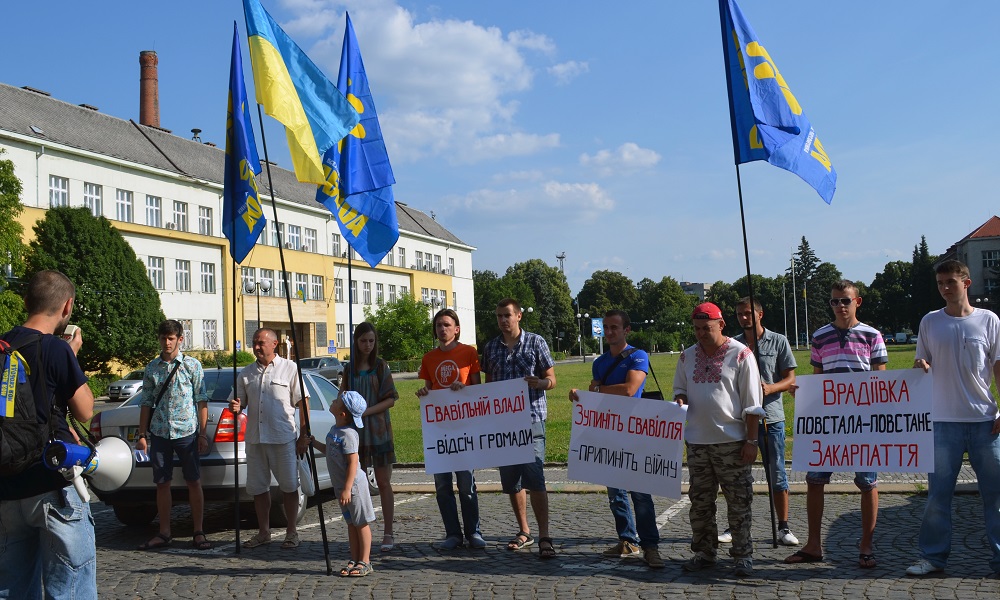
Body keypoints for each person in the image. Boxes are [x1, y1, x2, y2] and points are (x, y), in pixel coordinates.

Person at [0, 270, 96, 599]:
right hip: (53, 481)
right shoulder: (55, 349)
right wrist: (70, 355)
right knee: (69, 590)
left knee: (12, 589)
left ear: (27, 301)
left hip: (7, 486)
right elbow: (85, 410)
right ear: (67, 306)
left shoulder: (3, 345)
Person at [906, 260, 1000, 577]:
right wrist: (921, 364)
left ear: (966, 283)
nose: (945, 288)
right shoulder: (930, 322)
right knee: (937, 497)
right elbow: (922, 359)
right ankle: (933, 558)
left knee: (996, 495)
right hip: (942, 422)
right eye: (940, 283)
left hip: (985, 421)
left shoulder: (988, 321)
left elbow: (998, 369)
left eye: (951, 282)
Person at [785, 279, 886, 568]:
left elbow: (881, 380)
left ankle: (866, 544)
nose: (840, 306)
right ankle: (814, 544)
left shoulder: (872, 335)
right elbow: (817, 379)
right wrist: (802, 391)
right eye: (834, 301)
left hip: (864, 422)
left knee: (867, 482)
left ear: (857, 302)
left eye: (845, 300)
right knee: (814, 480)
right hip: (828, 423)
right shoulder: (820, 336)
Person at [673, 302, 763, 577]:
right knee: (700, 502)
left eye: (707, 328)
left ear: (721, 324)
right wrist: (679, 400)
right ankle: (704, 551)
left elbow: (752, 404)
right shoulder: (686, 357)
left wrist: (751, 442)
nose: (701, 333)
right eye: (697, 329)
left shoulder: (741, 355)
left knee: (738, 502)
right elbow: (680, 389)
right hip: (698, 443)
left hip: (732, 443)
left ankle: (742, 555)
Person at [569, 310, 663, 569]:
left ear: (626, 330)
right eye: (606, 327)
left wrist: (597, 390)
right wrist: (581, 396)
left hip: (636, 432)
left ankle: (651, 546)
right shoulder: (599, 362)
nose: (609, 332)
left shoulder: (638, 355)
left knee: (641, 494)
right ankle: (626, 539)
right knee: (616, 493)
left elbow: (630, 390)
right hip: (610, 432)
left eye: (614, 327)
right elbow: (595, 396)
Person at [482, 298, 558, 559]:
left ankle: (545, 535)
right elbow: (489, 385)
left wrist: (540, 383)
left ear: (519, 316)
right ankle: (524, 531)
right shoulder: (491, 347)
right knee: (512, 481)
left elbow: (552, 380)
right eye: (499, 316)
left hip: (532, 418)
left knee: (535, 478)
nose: (503, 320)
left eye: (508, 315)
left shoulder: (536, 342)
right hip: (504, 424)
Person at [228, 328, 310, 549]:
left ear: (274, 344)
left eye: (261, 342)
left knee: (290, 486)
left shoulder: (290, 368)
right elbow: (238, 404)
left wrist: (304, 434)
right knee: (258, 487)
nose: (256, 347)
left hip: (282, 437)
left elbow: (303, 402)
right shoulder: (245, 373)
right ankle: (263, 531)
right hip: (255, 439)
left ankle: (292, 532)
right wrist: (235, 407)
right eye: (254, 342)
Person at [135, 320, 210, 551]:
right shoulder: (152, 368)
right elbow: (146, 402)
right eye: (163, 338)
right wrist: (142, 434)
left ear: (180, 339)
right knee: (162, 483)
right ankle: (164, 532)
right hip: (159, 432)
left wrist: (203, 434)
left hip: (186, 431)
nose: (166, 343)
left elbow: (201, 400)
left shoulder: (192, 365)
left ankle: (198, 532)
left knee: (193, 481)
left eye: (171, 338)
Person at [730, 297, 799, 547]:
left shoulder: (778, 341)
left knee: (777, 475)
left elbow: (790, 378)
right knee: (737, 476)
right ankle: (735, 525)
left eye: (747, 313)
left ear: (760, 314)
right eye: (739, 314)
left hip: (772, 418)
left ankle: (783, 526)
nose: (743, 318)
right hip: (740, 420)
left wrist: (770, 388)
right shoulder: (733, 345)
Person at [416, 309, 486, 549]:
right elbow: (429, 388)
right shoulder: (428, 358)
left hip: (464, 428)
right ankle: (452, 534)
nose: (442, 329)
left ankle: (473, 532)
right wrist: (424, 393)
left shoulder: (469, 353)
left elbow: (478, 390)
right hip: (439, 430)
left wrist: (464, 388)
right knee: (443, 486)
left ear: (456, 328)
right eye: (438, 325)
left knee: (466, 484)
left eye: (446, 324)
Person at [342, 321, 398, 552]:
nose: (367, 345)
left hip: (378, 430)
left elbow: (391, 399)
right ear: (356, 341)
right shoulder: (349, 369)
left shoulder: (381, 366)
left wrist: (365, 411)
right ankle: (360, 532)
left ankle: (388, 532)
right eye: (363, 340)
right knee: (357, 485)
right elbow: (342, 395)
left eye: (371, 341)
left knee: (383, 482)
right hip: (356, 434)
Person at [310, 391, 376, 577]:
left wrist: (347, 488)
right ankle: (354, 559)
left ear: (343, 414)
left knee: (361, 523)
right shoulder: (334, 431)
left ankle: (365, 561)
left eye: (337, 401)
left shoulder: (349, 435)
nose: (332, 400)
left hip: (354, 487)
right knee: (351, 523)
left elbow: (353, 462)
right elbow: (330, 450)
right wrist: (315, 443)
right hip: (342, 488)